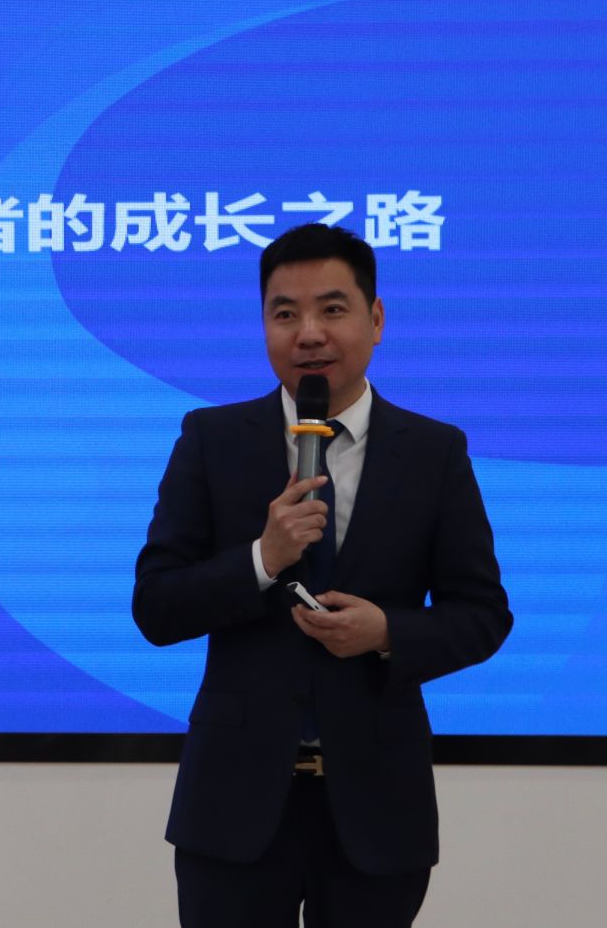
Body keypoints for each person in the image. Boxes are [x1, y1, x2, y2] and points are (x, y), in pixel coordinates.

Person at [132, 222, 512, 928]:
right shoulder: (211, 441)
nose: (309, 333)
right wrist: (262, 558)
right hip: (234, 810)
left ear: (376, 319)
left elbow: (483, 614)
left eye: (332, 309)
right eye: (285, 314)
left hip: (377, 810)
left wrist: (387, 632)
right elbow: (156, 606)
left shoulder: (433, 453)